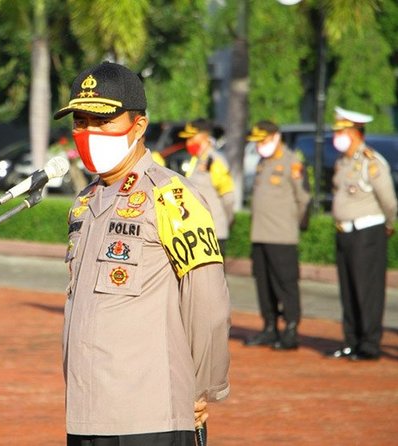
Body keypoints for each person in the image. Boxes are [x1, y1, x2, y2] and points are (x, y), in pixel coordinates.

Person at [54, 61, 231, 446]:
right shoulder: (85, 203)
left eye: (103, 121)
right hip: (87, 412)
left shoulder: (171, 196)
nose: (89, 133)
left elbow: (208, 303)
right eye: (81, 121)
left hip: (149, 415)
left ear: (138, 125)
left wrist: (202, 388)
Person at [326, 107, 397, 361]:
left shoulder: (371, 161)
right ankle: (351, 341)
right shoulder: (343, 162)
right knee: (348, 289)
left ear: (354, 132)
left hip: (367, 232)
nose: (337, 136)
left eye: (341, 131)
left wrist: (389, 223)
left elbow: (389, 200)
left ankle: (369, 344)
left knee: (367, 290)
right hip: (345, 232)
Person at [243, 120, 311, 350]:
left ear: (275, 137)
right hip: (260, 234)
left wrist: (294, 224)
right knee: (264, 285)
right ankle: (269, 327)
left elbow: (304, 198)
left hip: (282, 235)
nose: (260, 146)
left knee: (286, 284)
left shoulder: (292, 162)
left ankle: (290, 329)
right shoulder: (264, 162)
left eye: (263, 141)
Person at [178, 119, 235, 256]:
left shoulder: (215, 161)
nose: (189, 142)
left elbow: (228, 196)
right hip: (196, 230)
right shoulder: (195, 160)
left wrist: (225, 222)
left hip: (213, 232)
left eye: (192, 137)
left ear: (205, 136)